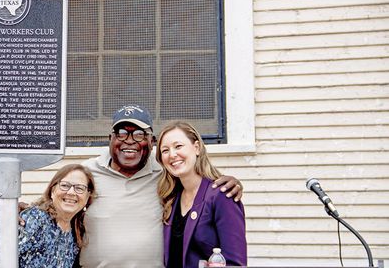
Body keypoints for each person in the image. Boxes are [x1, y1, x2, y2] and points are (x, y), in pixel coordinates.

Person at [20, 104, 243, 267]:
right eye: (121, 133)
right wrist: (26, 213)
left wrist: (231, 183)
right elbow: (60, 202)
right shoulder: (88, 173)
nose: (129, 141)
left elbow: (197, 183)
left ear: (151, 141)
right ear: (110, 139)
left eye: (139, 134)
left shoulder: (165, 174)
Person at [156, 121, 247, 267]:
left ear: (196, 148)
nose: (172, 155)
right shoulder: (170, 198)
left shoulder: (222, 195)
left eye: (178, 146)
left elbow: (236, 263)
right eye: (165, 150)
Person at [0, 164, 95, 268]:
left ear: (87, 196)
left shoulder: (75, 230)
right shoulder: (36, 219)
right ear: (52, 191)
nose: (71, 192)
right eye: (65, 185)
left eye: (80, 188)